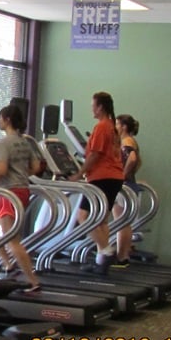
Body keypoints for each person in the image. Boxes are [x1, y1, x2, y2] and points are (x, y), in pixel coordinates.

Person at [0, 104, 42, 292]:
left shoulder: (3, 143)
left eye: (0, 118)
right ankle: (9, 265)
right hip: (20, 190)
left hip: (9, 193)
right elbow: (36, 167)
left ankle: (33, 281)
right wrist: (21, 175)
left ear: (7, 120)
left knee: (12, 240)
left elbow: (1, 170)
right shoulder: (25, 142)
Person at [67, 92, 126, 275]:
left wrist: (79, 173)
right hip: (114, 177)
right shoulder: (111, 127)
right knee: (101, 220)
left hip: (102, 177)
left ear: (100, 107)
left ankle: (106, 250)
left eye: (93, 105)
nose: (91, 108)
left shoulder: (101, 127)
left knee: (83, 216)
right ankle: (102, 261)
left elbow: (95, 155)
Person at [113, 114, 142, 266]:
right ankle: (124, 256)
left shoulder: (126, 141)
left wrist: (122, 175)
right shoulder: (131, 141)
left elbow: (132, 158)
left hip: (124, 186)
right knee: (125, 223)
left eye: (117, 124)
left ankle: (120, 256)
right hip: (130, 184)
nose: (115, 127)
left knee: (120, 223)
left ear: (123, 127)